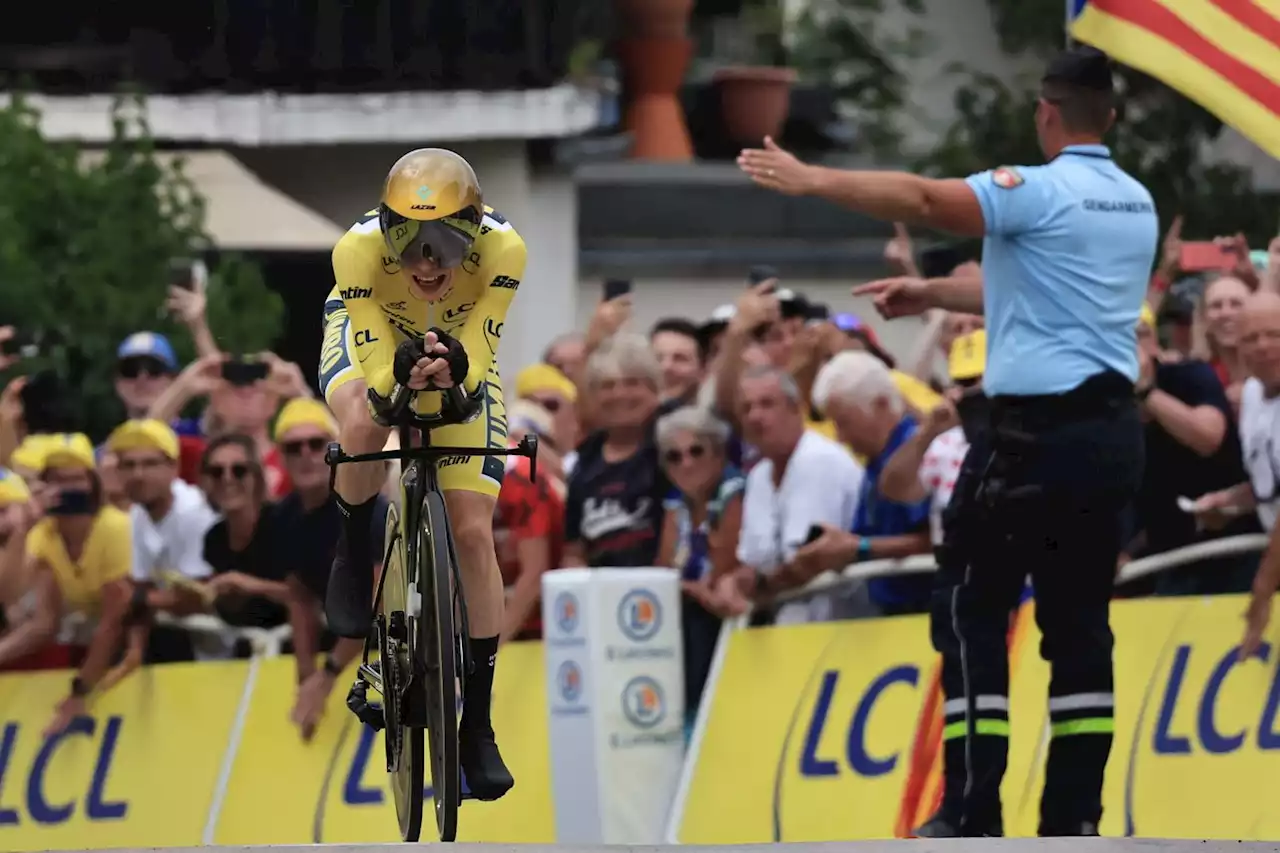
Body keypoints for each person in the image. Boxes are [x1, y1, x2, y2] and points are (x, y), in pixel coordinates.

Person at [740, 47, 1154, 837]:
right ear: (1111, 116)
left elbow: (928, 199)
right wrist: (933, 291)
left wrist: (812, 178)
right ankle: (1075, 818)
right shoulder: (1134, 203)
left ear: (1045, 112)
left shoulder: (1036, 189)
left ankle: (970, 808)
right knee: (1078, 625)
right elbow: (1043, 283)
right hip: (1110, 435)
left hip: (1033, 432)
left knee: (969, 603)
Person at [316, 147, 525, 799]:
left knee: (470, 534)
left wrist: (456, 372)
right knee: (363, 419)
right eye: (408, 240)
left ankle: (479, 723)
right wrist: (393, 379)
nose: (427, 262)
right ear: (385, 230)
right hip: (371, 339)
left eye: (445, 241)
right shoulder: (355, 252)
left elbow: (485, 343)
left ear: (476, 229)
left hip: (460, 348)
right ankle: (353, 556)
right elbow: (374, 352)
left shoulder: (506, 250)